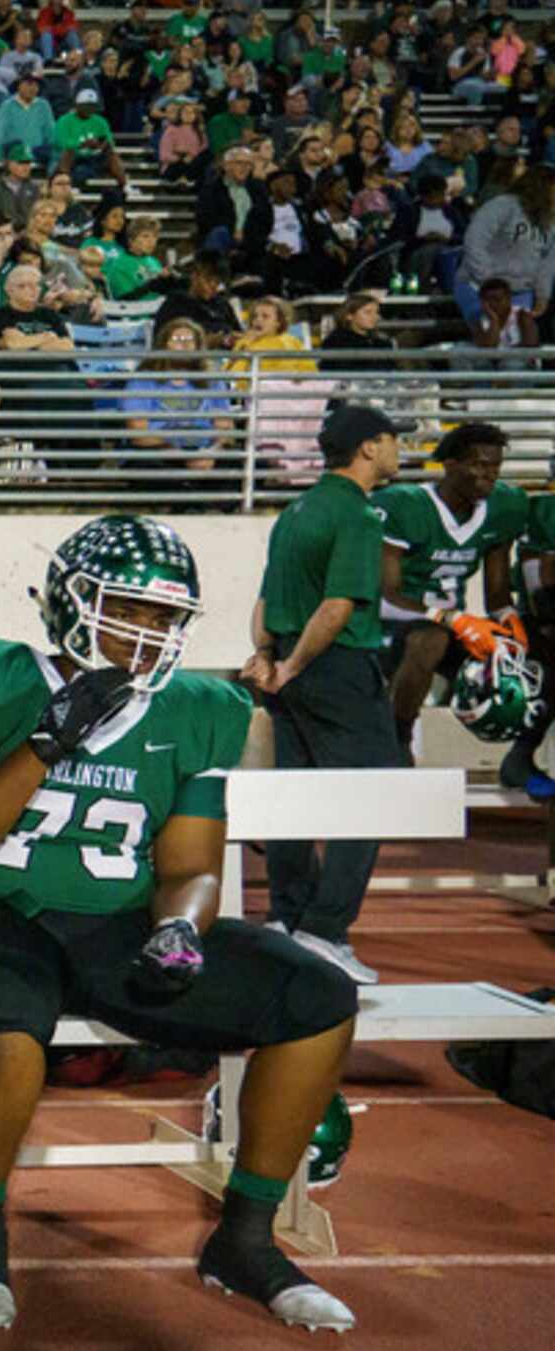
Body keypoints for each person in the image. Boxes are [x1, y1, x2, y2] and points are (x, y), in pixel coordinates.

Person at [0, 517, 359, 1333]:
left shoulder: (195, 709)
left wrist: (180, 929)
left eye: (163, 618)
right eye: (127, 607)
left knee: (318, 998)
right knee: (13, 1031)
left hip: (115, 923)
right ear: (73, 602)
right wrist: (47, 744)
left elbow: (189, 865)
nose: (144, 633)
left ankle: (246, 1237)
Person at [238, 403, 415, 986]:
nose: (398, 450)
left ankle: (289, 916)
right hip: (333, 668)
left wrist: (268, 658)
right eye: (392, 440)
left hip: (290, 664)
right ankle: (326, 928)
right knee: (370, 796)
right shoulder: (360, 516)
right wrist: (292, 664)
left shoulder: (296, 510)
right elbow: (338, 606)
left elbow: (265, 601)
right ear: (368, 447)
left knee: (298, 794)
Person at [376, 422, 527, 745]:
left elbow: (497, 592)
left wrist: (509, 620)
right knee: (430, 639)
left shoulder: (504, 506)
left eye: (496, 466)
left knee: (519, 650)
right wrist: (450, 618)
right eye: (479, 464)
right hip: (391, 623)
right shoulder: (405, 505)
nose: (490, 474)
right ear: (450, 465)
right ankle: (397, 737)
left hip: (451, 626)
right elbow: (385, 594)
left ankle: (519, 749)